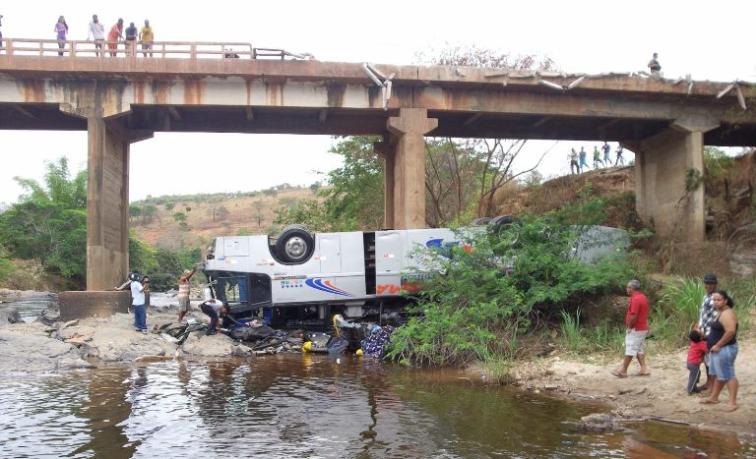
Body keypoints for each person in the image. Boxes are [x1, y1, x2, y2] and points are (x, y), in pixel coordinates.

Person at [700, 290, 738, 412]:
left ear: (725, 300)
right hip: (718, 350)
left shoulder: (727, 313)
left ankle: (732, 403)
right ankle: (714, 397)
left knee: (729, 375)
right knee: (718, 374)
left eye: (718, 300)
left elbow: (731, 331)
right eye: (714, 300)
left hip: (725, 349)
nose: (715, 302)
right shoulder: (720, 312)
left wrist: (718, 345)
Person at [612, 279, 650, 378]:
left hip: (636, 328)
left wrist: (630, 327)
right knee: (638, 348)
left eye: (628, 287)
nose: (627, 289)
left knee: (630, 347)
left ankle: (623, 370)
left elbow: (634, 316)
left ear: (632, 288)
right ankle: (643, 369)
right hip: (642, 327)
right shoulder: (643, 297)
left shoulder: (636, 299)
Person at [695, 273, 719, 392]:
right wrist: (698, 326)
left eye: (711, 283)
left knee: (712, 358)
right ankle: (709, 382)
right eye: (707, 283)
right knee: (706, 358)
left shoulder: (717, 298)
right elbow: (702, 314)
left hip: (713, 332)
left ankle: (713, 384)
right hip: (703, 331)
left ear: (715, 284)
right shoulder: (705, 296)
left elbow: (720, 316)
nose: (708, 285)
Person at [686, 329, 707, 394]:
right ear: (701, 337)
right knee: (694, 376)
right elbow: (707, 349)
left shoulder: (693, 342)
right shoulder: (701, 344)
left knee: (695, 374)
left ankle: (694, 387)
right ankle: (690, 389)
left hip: (689, 362)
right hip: (694, 364)